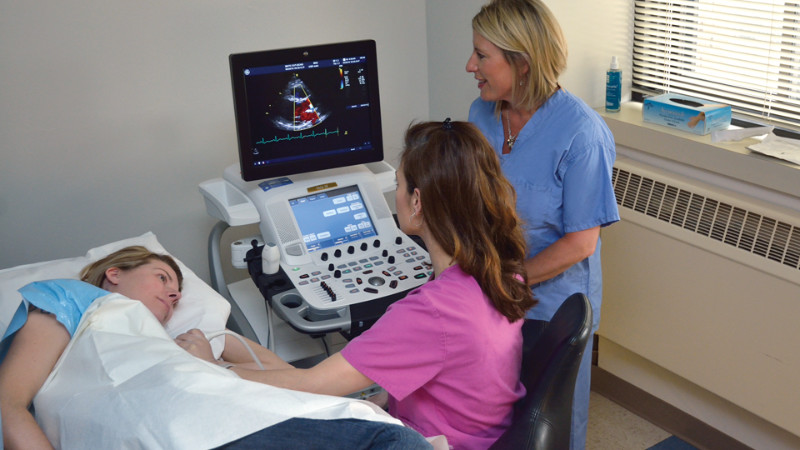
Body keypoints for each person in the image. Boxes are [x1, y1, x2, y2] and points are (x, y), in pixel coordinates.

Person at [208, 119, 536, 449]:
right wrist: (227, 352)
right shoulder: (502, 270)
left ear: (418, 202)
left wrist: (212, 373)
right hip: (488, 435)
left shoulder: (432, 311)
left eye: (399, 185)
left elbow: (311, 383)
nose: (397, 197)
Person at [0, 246, 430, 449]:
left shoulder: (177, 346)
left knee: (387, 436)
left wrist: (209, 359)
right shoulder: (75, 298)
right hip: (170, 426)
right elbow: (10, 404)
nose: (173, 295)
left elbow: (295, 384)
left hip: (225, 415)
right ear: (114, 273)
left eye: (179, 290)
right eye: (162, 278)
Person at [465, 1, 620, 448]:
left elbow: (580, 243)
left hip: (552, 305)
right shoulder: (482, 114)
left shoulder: (582, 135)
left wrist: (507, 281)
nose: (471, 65)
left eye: (482, 55)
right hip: (492, 290)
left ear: (522, 62)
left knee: (547, 423)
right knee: (492, 413)